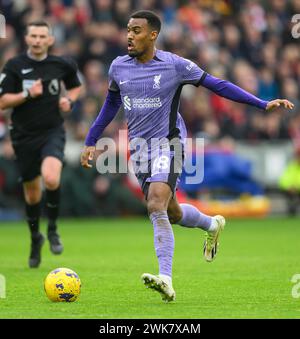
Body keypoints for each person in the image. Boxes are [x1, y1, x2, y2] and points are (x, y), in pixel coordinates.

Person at [80, 10, 294, 302]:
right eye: (128, 29)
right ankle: (211, 224)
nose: (129, 35)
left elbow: (217, 84)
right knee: (172, 212)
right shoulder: (118, 66)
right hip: (139, 150)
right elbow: (110, 104)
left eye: (137, 30)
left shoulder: (174, 65)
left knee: (155, 203)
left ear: (153, 34)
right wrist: (91, 139)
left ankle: (166, 279)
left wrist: (261, 103)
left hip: (170, 144)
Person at [0, 21, 82, 268]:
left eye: (41, 36)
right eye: (33, 35)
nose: (37, 40)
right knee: (33, 194)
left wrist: (69, 100)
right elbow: (3, 101)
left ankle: (54, 229)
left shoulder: (62, 64)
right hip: (23, 137)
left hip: (52, 132)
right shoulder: (15, 66)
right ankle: (36, 238)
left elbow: (76, 88)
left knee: (51, 178)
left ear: (50, 40)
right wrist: (27, 95)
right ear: (26, 38)